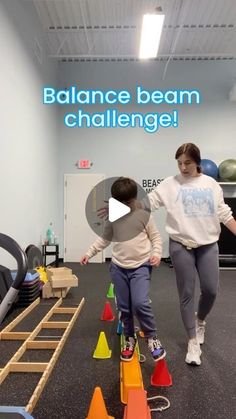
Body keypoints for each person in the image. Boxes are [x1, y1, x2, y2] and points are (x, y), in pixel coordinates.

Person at [141, 143, 236, 366]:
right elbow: (148, 204)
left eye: (188, 163)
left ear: (198, 163)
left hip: (207, 245)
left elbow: (224, 212)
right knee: (186, 293)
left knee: (211, 290)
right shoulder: (169, 184)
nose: (183, 168)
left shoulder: (210, 184)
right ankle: (192, 342)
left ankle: (200, 320)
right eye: (180, 163)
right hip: (180, 245)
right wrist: (120, 208)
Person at [80, 177, 166, 362]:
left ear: (135, 199)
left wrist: (157, 254)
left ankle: (152, 338)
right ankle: (129, 338)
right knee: (125, 308)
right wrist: (89, 253)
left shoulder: (145, 215)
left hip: (141, 266)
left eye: (128, 202)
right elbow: (104, 239)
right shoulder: (114, 217)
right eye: (121, 203)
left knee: (140, 303)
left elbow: (156, 238)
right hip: (118, 267)